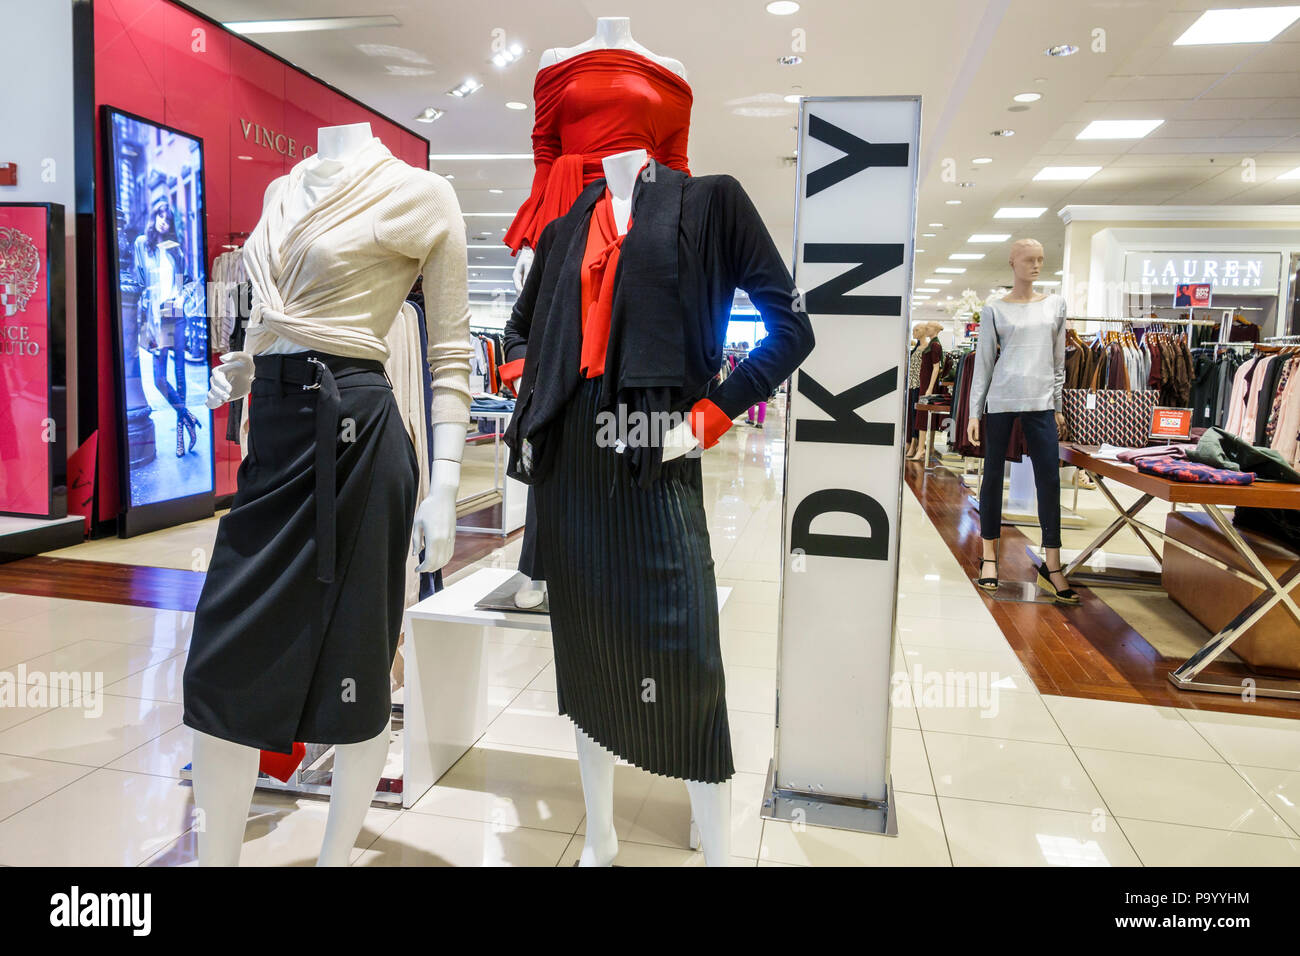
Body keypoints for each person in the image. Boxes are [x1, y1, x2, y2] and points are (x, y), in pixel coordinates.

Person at [966, 239, 1078, 604]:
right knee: (993, 478)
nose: (1036, 266)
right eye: (1029, 259)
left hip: (1042, 400)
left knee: (1049, 479)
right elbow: (983, 363)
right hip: (1001, 398)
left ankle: (1053, 564)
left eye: (1041, 260)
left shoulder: (1055, 305)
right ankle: (988, 557)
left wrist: (1059, 405)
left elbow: (1058, 361)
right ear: (1012, 262)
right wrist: (973, 411)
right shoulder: (994, 309)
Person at [133, 198, 200, 457]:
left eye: (168, 218)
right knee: (160, 378)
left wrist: (181, 298)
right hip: (156, 314)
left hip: (174, 310)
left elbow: (186, 281)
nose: (164, 220)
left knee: (180, 375)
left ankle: (181, 436)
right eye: (160, 215)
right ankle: (187, 416)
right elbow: (138, 282)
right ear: (154, 217)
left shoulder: (175, 249)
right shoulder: (142, 244)